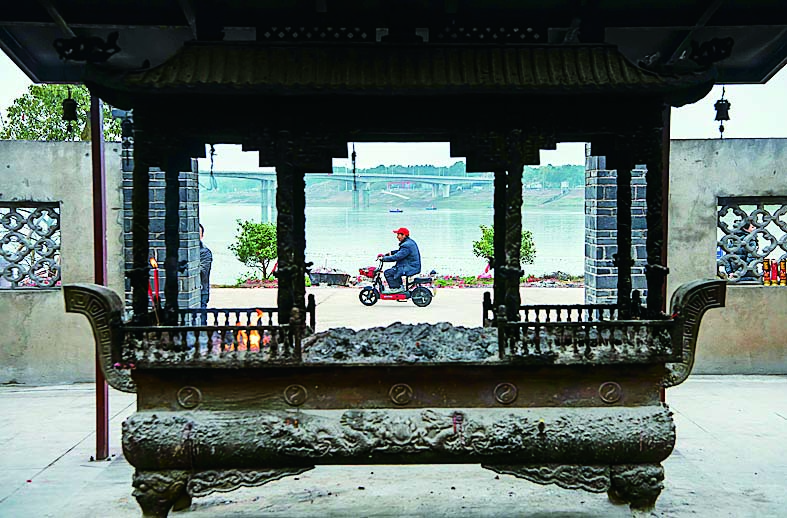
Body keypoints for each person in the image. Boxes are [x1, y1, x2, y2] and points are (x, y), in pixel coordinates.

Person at [378, 227, 421, 294]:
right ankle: (400, 287)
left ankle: (396, 288)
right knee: (395, 270)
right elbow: (401, 252)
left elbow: (397, 257)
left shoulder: (406, 245)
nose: (397, 237)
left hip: (410, 267)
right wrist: (390, 253)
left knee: (388, 272)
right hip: (410, 265)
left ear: (404, 235)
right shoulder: (409, 242)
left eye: (398, 235)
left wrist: (384, 259)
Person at [199, 223, 213, 317]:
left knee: (201, 319)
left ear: (202, 236)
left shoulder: (205, 252)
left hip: (201, 292)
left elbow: (203, 271)